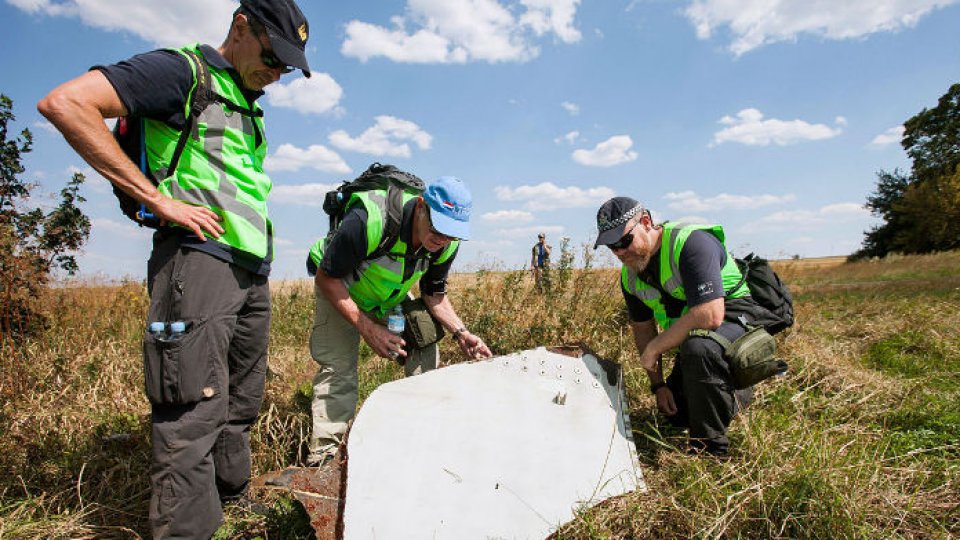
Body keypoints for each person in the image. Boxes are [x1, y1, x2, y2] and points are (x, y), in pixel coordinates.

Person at [37, 0, 310, 536]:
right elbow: (66, 103)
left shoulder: (247, 102)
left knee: (238, 401)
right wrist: (156, 198)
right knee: (191, 409)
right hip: (197, 261)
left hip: (249, 270)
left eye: (287, 67)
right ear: (241, 26)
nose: (276, 74)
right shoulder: (184, 72)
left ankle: (230, 505)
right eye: (273, 56)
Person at [304, 176, 493, 466]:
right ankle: (324, 458)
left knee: (425, 339)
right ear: (420, 206)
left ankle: (418, 431)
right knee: (339, 368)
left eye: (451, 234)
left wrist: (461, 332)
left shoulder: (446, 245)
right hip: (340, 287)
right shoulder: (369, 220)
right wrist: (368, 329)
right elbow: (326, 277)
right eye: (438, 227)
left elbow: (433, 295)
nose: (441, 239)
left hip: (385, 297)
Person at [593, 197, 778, 456]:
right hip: (696, 332)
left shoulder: (690, 243)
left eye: (624, 241)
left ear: (646, 222)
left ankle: (709, 449)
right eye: (612, 247)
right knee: (678, 414)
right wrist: (658, 386)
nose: (621, 252)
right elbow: (643, 329)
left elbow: (710, 315)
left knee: (698, 348)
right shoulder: (630, 276)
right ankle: (732, 390)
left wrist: (656, 348)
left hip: (736, 316)